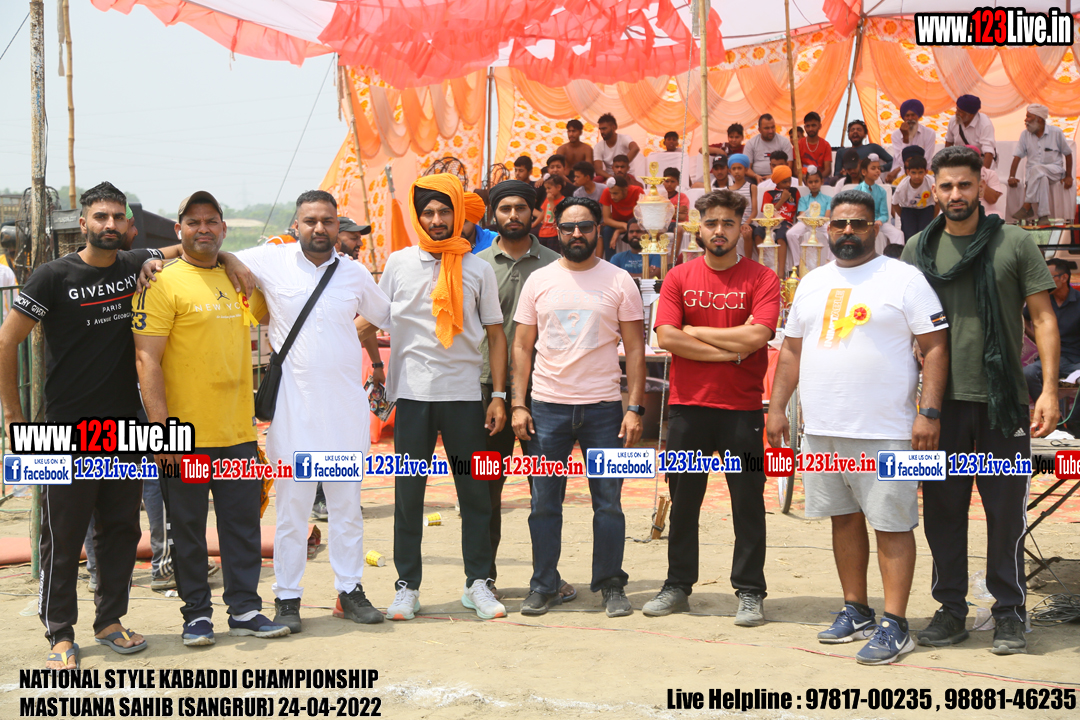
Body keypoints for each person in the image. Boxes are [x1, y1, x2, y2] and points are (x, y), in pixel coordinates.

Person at [0, 182, 179, 668]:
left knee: (121, 529)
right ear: (84, 223)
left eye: (117, 217)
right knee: (62, 535)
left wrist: (228, 258)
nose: (109, 225)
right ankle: (59, 632)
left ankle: (110, 621)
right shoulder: (52, 277)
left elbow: (185, 246)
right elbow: (6, 342)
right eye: (100, 217)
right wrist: (14, 418)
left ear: (127, 224)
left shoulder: (132, 263)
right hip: (65, 431)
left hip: (125, 431)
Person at [767, 188, 949, 664]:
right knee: (843, 519)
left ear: (876, 227)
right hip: (822, 427)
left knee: (892, 524)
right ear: (827, 228)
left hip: (887, 430)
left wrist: (928, 412)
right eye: (840, 224)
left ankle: (896, 624)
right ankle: (857, 609)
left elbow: (935, 347)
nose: (848, 231)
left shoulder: (903, 278)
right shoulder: (811, 282)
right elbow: (791, 350)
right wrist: (776, 407)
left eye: (859, 224)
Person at [901, 146, 1060, 655]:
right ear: (934, 190)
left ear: (980, 187)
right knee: (942, 511)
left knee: (1005, 511)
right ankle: (950, 609)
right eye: (946, 186)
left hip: (1002, 402)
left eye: (964, 185)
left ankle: (1009, 612)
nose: (956, 194)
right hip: (938, 406)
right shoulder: (917, 249)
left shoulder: (1014, 242)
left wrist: (1048, 390)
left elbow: (1043, 319)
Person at [133, 190, 290, 648]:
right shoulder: (160, 282)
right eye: (193, 221)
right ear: (178, 229)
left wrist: (231, 258)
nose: (203, 228)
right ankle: (197, 615)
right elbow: (147, 361)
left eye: (211, 221)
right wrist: (162, 433)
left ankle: (245, 609)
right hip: (183, 436)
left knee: (242, 526)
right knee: (187, 531)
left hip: (237, 431)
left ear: (223, 228)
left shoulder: (239, 278)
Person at [230, 190, 392, 632]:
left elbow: (385, 316)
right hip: (293, 412)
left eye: (328, 221)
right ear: (295, 226)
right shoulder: (272, 261)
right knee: (292, 510)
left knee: (346, 507)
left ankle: (349, 591)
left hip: (344, 413)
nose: (319, 228)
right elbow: (222, 255)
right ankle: (287, 598)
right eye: (310, 221)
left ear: (338, 226)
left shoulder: (354, 273)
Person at [643, 189, 780, 624]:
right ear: (698, 227)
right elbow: (667, 336)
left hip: (742, 408)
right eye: (711, 223)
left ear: (742, 228)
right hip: (689, 407)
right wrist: (732, 351)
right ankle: (677, 585)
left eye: (728, 223)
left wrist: (695, 330)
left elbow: (758, 336)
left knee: (747, 501)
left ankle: (750, 590)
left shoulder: (762, 278)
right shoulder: (679, 277)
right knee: (684, 500)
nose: (719, 231)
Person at [378, 174, 508, 621]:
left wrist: (499, 395)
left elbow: (496, 335)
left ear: (458, 214)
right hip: (412, 399)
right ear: (419, 217)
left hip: (465, 399)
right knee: (408, 496)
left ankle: (478, 584)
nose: (436, 219)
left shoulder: (478, 268)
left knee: (475, 493)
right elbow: (371, 318)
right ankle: (406, 588)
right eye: (428, 212)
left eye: (444, 211)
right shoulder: (398, 264)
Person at [511, 196, 645, 617]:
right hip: (546, 408)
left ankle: (610, 584)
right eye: (568, 227)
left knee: (608, 503)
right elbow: (521, 346)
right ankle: (543, 584)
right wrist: (518, 404)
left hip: (604, 410)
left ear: (597, 230)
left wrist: (635, 408)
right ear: (556, 229)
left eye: (585, 226)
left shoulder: (619, 281)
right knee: (543, 503)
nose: (576, 234)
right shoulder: (539, 281)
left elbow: (635, 349)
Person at [473, 180, 564, 601]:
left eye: (520, 208)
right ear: (493, 215)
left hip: (540, 393)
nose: (513, 215)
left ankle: (546, 578)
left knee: (544, 490)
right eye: (505, 208)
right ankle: (483, 578)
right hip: (485, 392)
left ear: (534, 214)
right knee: (486, 489)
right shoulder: (475, 266)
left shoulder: (556, 266)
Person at [1024, 259, 1080, 402]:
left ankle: (1073, 416)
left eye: (1048, 277)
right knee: (1028, 373)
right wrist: (1036, 337)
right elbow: (1024, 317)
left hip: (1075, 361)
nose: (1044, 282)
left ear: (1064, 278)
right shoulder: (1043, 300)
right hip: (1047, 360)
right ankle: (1054, 413)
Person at [1009, 104, 1073, 224]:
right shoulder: (1025, 134)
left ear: (1039, 119)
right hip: (1034, 175)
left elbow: (1068, 154)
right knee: (1042, 177)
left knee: (1037, 169)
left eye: (1029, 116)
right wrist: (1011, 176)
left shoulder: (1056, 132)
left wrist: (1069, 176)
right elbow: (1017, 156)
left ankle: (1027, 205)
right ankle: (1043, 217)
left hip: (1055, 171)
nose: (1025, 120)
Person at [751, 165, 799, 273]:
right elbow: (768, 213)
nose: (788, 184)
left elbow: (797, 210)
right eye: (784, 182)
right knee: (757, 232)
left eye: (789, 181)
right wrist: (782, 200)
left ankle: (781, 272)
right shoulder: (768, 194)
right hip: (770, 221)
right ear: (777, 182)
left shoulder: (794, 191)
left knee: (781, 235)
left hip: (786, 222)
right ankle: (764, 266)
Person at [785, 166, 834, 269]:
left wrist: (821, 221)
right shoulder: (803, 199)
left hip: (822, 223)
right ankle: (798, 264)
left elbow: (827, 216)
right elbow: (802, 215)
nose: (813, 184)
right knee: (790, 234)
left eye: (816, 181)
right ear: (806, 183)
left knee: (833, 233)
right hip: (806, 223)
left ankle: (830, 263)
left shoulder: (828, 199)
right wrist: (809, 221)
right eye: (810, 182)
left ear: (822, 181)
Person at [887, 99, 937, 183]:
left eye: (913, 115)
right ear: (903, 117)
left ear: (918, 116)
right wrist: (905, 138)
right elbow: (901, 161)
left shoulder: (929, 133)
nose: (910, 118)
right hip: (903, 170)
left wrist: (916, 172)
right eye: (907, 116)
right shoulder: (896, 135)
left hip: (923, 169)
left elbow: (927, 160)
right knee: (900, 178)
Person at [891, 155, 937, 241]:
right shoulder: (902, 186)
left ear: (926, 172)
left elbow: (938, 202)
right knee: (909, 236)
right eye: (913, 173)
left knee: (925, 235)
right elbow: (895, 203)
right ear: (908, 172)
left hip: (926, 210)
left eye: (920, 172)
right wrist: (904, 217)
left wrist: (934, 218)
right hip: (908, 210)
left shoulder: (932, 182)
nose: (917, 176)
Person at [945, 94, 996, 169]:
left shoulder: (985, 124)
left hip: (980, 162)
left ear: (971, 115)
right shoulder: (953, 120)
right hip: (960, 161)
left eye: (960, 112)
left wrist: (984, 173)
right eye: (957, 109)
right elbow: (949, 142)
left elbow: (988, 152)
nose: (956, 113)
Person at [599, 176, 644, 259]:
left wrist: (618, 231)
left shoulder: (637, 191)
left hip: (635, 221)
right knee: (606, 231)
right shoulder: (606, 192)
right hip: (617, 222)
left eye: (615, 193)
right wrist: (623, 225)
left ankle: (641, 258)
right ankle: (611, 261)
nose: (612, 196)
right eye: (611, 193)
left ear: (625, 190)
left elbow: (642, 217)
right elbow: (606, 219)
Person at [744, 114, 792, 182]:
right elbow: (746, 168)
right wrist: (756, 176)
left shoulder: (784, 142)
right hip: (756, 178)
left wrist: (773, 176)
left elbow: (789, 165)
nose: (771, 131)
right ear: (759, 130)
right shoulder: (751, 143)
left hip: (780, 176)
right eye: (767, 128)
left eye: (773, 127)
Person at [727, 154, 758, 257]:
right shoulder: (728, 190)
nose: (736, 171)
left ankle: (748, 261)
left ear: (746, 169)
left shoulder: (752, 187)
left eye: (739, 168)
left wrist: (746, 223)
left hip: (747, 222)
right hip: (733, 222)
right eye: (734, 169)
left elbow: (754, 211)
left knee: (747, 233)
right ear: (730, 171)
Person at [593, 114, 641, 179]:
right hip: (609, 177)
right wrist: (613, 178)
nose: (602, 132)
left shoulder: (624, 138)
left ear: (613, 127)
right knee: (597, 179)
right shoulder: (598, 146)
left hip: (626, 175)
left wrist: (622, 165)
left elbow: (635, 148)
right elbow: (598, 170)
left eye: (604, 129)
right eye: (600, 129)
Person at [534, 175, 567, 253]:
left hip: (554, 234)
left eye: (549, 188)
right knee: (542, 255)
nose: (547, 191)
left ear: (558, 187)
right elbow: (543, 213)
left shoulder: (563, 201)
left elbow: (558, 216)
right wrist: (533, 224)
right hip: (543, 232)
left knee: (553, 255)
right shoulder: (547, 199)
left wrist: (551, 201)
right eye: (546, 189)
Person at [798, 112, 832, 180]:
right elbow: (795, 169)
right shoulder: (799, 144)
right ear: (804, 127)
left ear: (820, 126)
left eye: (813, 125)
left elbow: (827, 170)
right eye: (808, 126)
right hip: (803, 179)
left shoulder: (826, 145)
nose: (810, 129)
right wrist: (805, 178)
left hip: (820, 179)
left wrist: (816, 179)